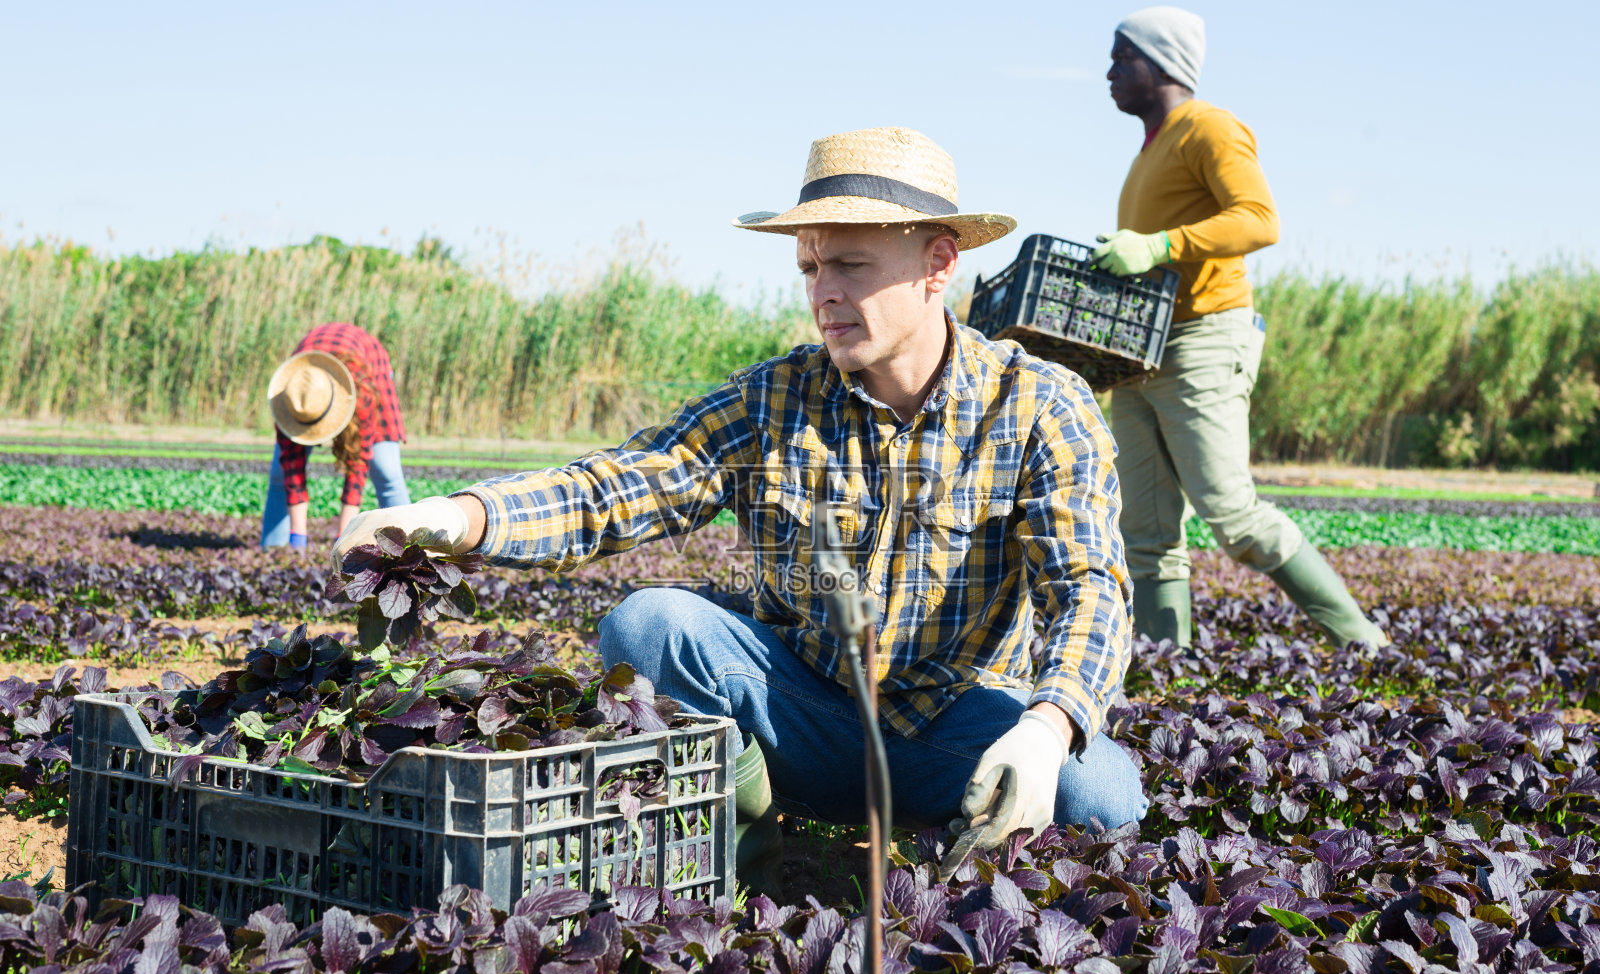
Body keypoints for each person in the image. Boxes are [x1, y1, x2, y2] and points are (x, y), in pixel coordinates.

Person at [330, 128, 1148, 894]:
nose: (823, 294)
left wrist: (1046, 728)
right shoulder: (775, 400)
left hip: (953, 736)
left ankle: (963, 829)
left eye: (850, 266)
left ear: (938, 263)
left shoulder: (1039, 405)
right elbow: (620, 484)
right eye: (809, 268)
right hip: (804, 715)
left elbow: (1092, 588)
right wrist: (458, 517)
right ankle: (750, 843)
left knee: (1101, 788)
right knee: (650, 626)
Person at [1091, 6, 1387, 649]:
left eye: (1122, 57)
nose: (1108, 71)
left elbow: (1258, 218)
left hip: (1204, 338)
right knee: (1146, 530)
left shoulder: (1208, 129)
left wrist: (1159, 245)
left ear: (1161, 63)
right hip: (1143, 352)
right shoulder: (1147, 153)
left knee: (1233, 515)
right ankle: (1168, 662)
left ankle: (1361, 641)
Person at [261, 323, 411, 550]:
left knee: (386, 471)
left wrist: (344, 539)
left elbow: (357, 467)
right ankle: (273, 550)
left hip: (369, 362)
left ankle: (410, 550)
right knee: (279, 474)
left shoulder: (362, 393)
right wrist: (298, 538)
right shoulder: (291, 394)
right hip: (313, 364)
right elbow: (292, 467)